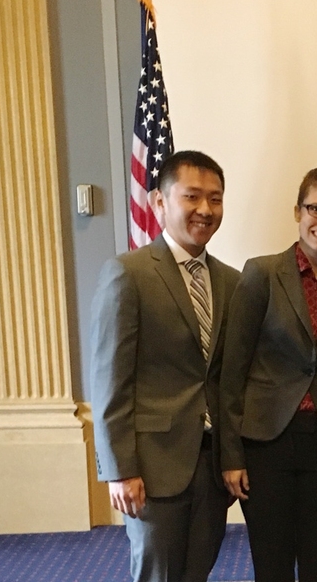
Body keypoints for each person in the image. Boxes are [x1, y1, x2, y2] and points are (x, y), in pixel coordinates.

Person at [90, 150, 241, 582]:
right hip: (153, 467)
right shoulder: (128, 274)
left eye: (215, 199)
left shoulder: (230, 280)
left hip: (210, 466)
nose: (205, 210)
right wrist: (121, 469)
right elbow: (109, 381)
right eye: (192, 196)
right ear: (159, 202)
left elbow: (224, 378)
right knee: (158, 572)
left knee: (198, 570)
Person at [219, 166, 317, 582]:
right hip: (266, 443)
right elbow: (232, 370)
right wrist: (230, 454)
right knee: (272, 563)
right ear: (297, 211)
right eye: (315, 208)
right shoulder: (261, 274)